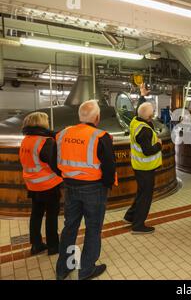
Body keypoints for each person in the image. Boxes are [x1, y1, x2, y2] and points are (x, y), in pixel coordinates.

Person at [56, 100, 116, 280]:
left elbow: (53, 161)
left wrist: (66, 176)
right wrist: (107, 185)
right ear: (97, 118)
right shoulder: (100, 136)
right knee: (93, 227)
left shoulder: (62, 134)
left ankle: (63, 268)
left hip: (69, 187)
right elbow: (109, 167)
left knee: (70, 227)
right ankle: (87, 269)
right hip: (94, 188)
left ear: (79, 116)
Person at [19, 112, 63, 256]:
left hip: (32, 184)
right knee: (51, 215)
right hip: (48, 184)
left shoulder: (26, 140)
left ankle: (36, 244)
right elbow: (54, 164)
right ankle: (53, 246)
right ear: (41, 123)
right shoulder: (45, 142)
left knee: (36, 214)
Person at [123, 84, 163, 234]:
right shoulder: (144, 130)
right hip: (145, 168)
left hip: (138, 166)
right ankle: (138, 225)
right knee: (145, 197)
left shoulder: (135, 121)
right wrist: (159, 145)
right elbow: (147, 151)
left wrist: (142, 96)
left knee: (141, 193)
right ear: (149, 116)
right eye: (152, 113)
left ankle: (130, 216)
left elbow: (140, 109)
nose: (153, 115)